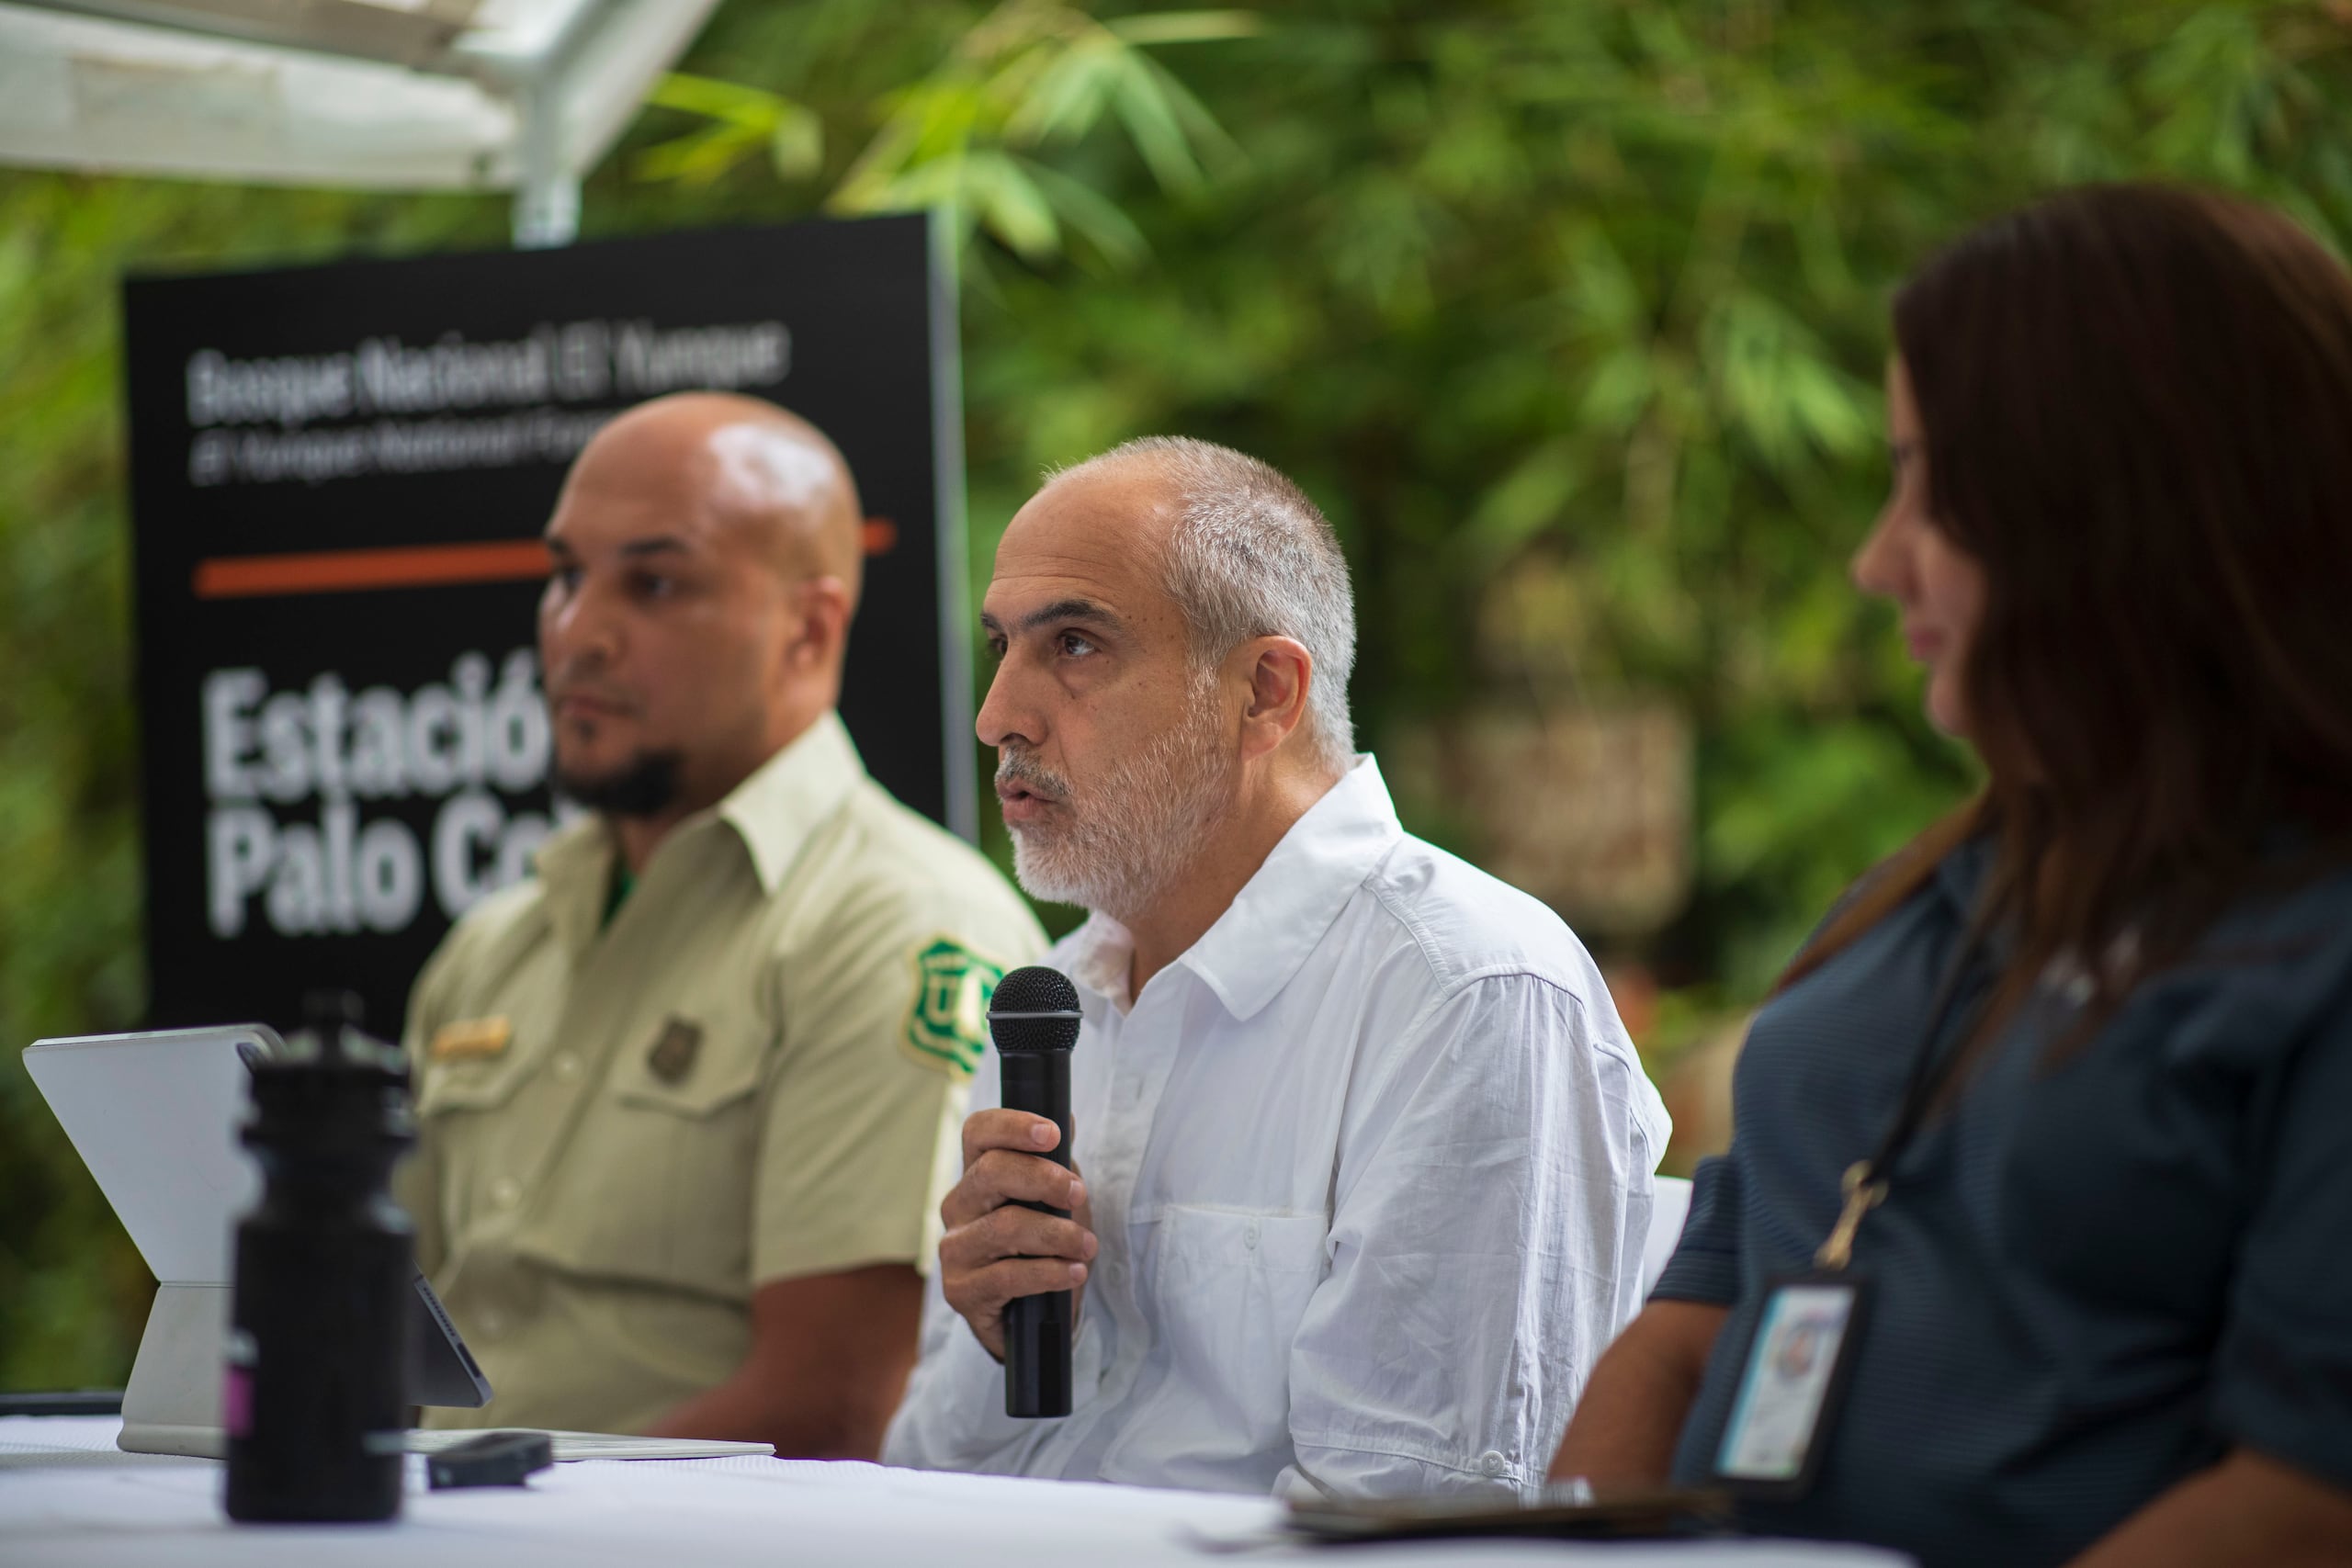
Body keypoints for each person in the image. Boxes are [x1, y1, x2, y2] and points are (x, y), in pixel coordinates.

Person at [1549, 185, 2352, 1567]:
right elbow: (1689, 1334)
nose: (1875, 560)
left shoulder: (2307, 941)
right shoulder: (1915, 900)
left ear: (2127, 508)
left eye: (1936, 488)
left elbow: (2307, 1498)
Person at [882, 436, 1668, 1498]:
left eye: (1072, 645)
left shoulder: (1463, 994)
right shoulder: (1054, 1005)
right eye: (1000, 648)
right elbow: (920, 1473)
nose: (999, 718)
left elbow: (1416, 1520)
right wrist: (996, 1346)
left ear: (1263, 691)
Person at [400, 392, 1046, 1456]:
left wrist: (474, 1514)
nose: (579, 631)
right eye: (566, 575)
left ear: (808, 628)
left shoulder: (894, 923)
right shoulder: (493, 948)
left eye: (653, 583)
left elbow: (838, 1407)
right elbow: (375, 1332)